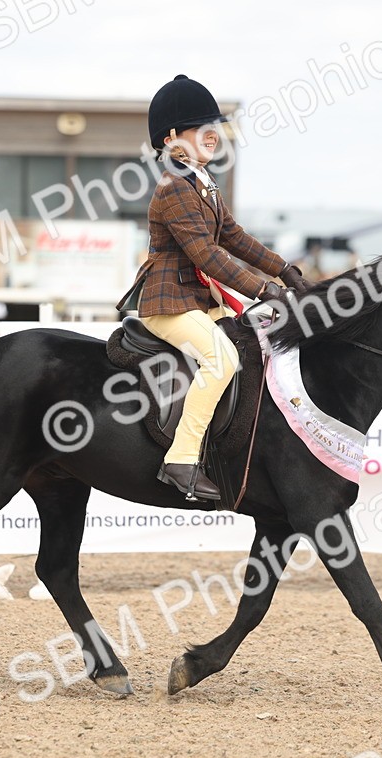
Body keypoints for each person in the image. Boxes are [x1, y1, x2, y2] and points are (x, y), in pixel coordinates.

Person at [117, 75, 311, 501]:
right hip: (168, 302)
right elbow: (207, 254)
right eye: (200, 128)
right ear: (171, 138)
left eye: (214, 127)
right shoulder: (174, 188)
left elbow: (234, 237)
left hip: (199, 300)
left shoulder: (201, 182)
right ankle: (181, 459)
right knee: (221, 358)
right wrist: (265, 290)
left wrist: (285, 271)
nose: (213, 135)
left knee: (252, 342)